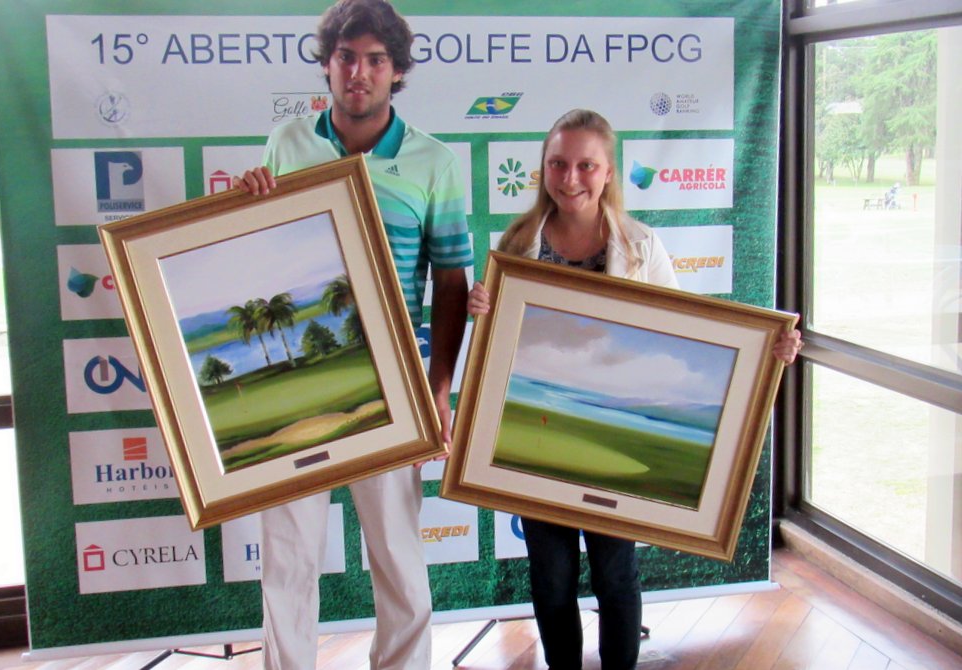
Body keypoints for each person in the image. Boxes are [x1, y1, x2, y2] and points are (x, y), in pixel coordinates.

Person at [467, 108, 802, 670]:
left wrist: (768, 352)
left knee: (614, 575)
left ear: (607, 172)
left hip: (603, 438)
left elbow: (692, 331)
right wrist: (484, 311)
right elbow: (504, 345)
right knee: (550, 582)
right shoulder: (517, 240)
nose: (569, 177)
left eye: (585, 165)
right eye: (557, 163)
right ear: (543, 167)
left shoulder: (642, 245)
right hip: (536, 448)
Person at [234, 1, 471, 668]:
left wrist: (440, 385)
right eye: (346, 57)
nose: (358, 72)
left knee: (397, 554)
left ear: (397, 71)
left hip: (397, 383)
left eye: (374, 60)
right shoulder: (287, 143)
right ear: (328, 64)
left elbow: (451, 281)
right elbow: (261, 255)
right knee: (287, 557)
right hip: (299, 388)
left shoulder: (436, 162)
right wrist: (249, 204)